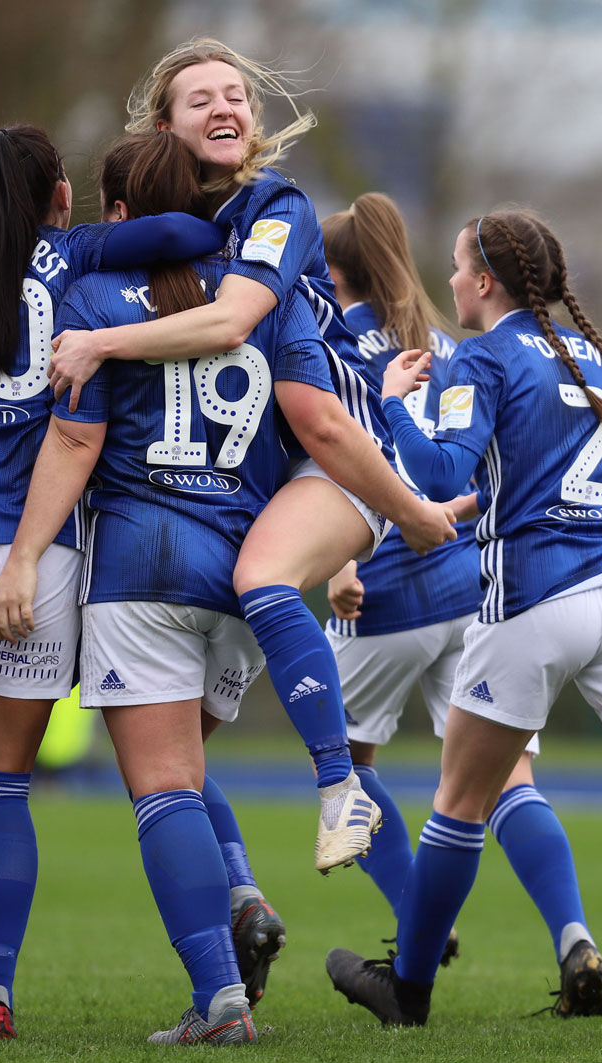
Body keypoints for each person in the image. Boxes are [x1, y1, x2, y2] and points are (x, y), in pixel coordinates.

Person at [323, 208, 602, 1039]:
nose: (450, 281)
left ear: (486, 281)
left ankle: (407, 991)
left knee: (459, 803)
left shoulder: (485, 358)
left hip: (535, 598)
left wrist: (390, 408)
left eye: (459, 267)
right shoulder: (589, 356)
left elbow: (434, 471)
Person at [42, 38, 457, 873]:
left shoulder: (277, 204)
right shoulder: (176, 233)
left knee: (260, 579)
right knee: (168, 757)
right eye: (201, 99)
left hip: (343, 447)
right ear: (164, 127)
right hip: (271, 474)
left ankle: (339, 789)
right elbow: (87, 249)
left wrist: (98, 344)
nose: (226, 107)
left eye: (236, 95)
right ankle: (249, 906)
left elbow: (237, 329)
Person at [0, 123, 225, 1041]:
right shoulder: (75, 272)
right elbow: (192, 236)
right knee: (7, 789)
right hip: (42, 557)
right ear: (61, 197)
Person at [0, 130, 347, 1045]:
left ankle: (220, 1003)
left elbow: (75, 440)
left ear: (120, 216)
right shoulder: (259, 296)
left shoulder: (96, 293)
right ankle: (240, 899)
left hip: (144, 565)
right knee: (188, 775)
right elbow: (315, 428)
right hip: (245, 572)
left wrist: (25, 555)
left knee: (165, 791)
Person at [321, 193, 602, 1014]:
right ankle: (574, 938)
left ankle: (418, 925)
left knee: (342, 763)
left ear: (332, 275)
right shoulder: (443, 340)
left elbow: (336, 453)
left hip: (380, 584)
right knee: (507, 778)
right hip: (467, 584)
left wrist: (340, 555)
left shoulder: (336, 340)